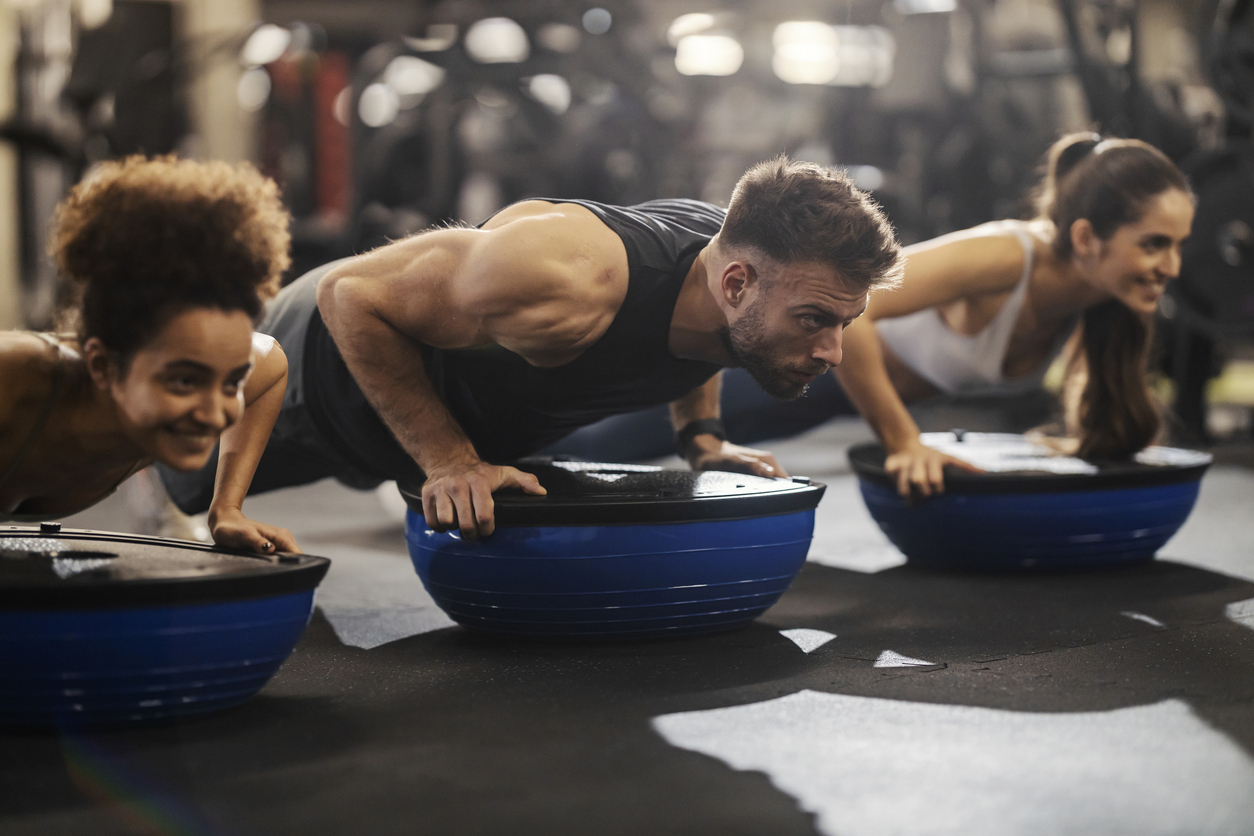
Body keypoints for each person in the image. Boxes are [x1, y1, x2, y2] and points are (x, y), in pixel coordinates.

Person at [161, 157, 904, 540]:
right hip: (312, 377)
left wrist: (700, 436)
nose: (835, 350)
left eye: (846, 321)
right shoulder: (565, 280)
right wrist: (448, 460)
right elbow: (350, 298)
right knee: (171, 472)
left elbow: (712, 341)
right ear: (737, 282)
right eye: (816, 321)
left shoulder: (736, 274)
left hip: (405, 428)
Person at [552, 133, 1195, 497]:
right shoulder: (1007, 255)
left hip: (826, 396)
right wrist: (903, 441)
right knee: (595, 441)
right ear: (1086, 238)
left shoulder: (1101, 305)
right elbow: (851, 311)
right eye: (1154, 243)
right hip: (787, 355)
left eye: (1179, 244)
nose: (1171, 265)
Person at [0, 155, 300, 554]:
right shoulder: (13, 386)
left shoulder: (209, 385)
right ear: (103, 367)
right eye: (184, 381)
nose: (214, 413)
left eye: (231, 383)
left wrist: (226, 508)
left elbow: (271, 362)